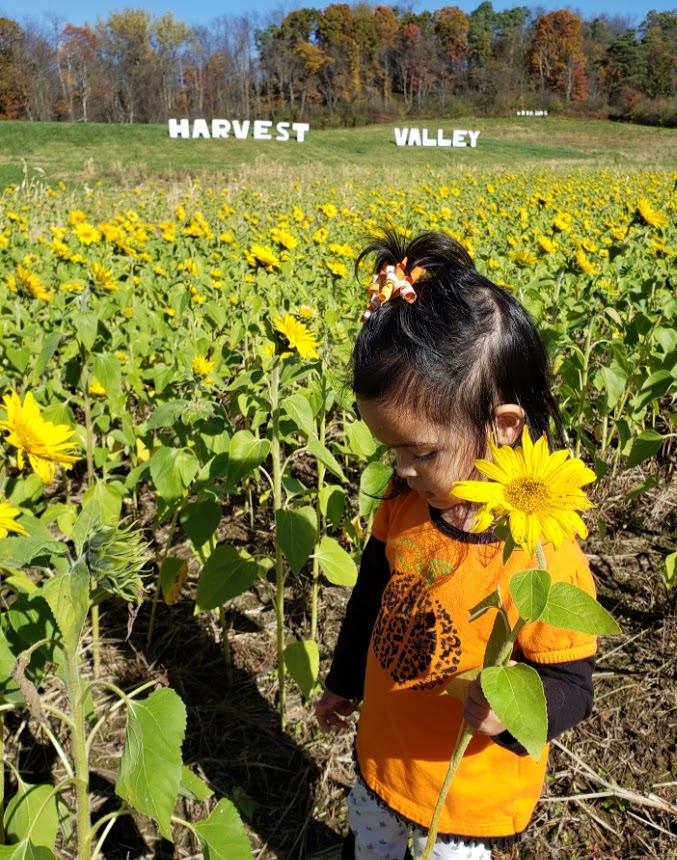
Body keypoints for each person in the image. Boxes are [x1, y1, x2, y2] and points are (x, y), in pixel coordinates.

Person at [314, 229, 597, 860]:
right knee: (371, 846)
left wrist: (515, 711)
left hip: (463, 788)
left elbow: (573, 682)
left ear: (502, 426)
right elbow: (370, 598)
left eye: (419, 452)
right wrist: (343, 680)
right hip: (385, 756)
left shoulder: (541, 549)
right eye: (391, 450)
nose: (403, 469)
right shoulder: (406, 503)